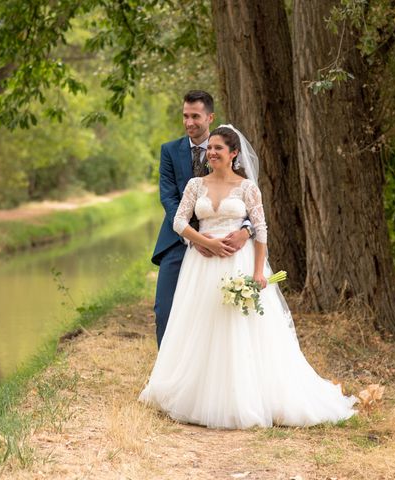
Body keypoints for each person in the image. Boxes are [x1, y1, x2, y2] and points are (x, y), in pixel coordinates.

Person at [139, 126, 357, 428]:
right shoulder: (194, 185)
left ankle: (240, 396)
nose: (212, 153)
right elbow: (178, 221)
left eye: (219, 148)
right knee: (200, 323)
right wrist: (205, 242)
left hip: (237, 264)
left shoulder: (247, 188)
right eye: (210, 148)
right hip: (200, 264)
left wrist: (257, 272)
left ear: (233, 154)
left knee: (238, 326)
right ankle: (196, 392)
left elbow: (261, 230)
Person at [152, 91, 252, 348]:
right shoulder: (169, 151)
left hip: (224, 244)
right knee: (165, 310)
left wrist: (246, 229)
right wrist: (195, 238)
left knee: (219, 312)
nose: (189, 122)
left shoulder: (224, 148)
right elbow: (169, 199)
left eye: (195, 116)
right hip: (178, 240)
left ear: (210, 117)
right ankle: (167, 374)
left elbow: (247, 194)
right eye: (185, 116)